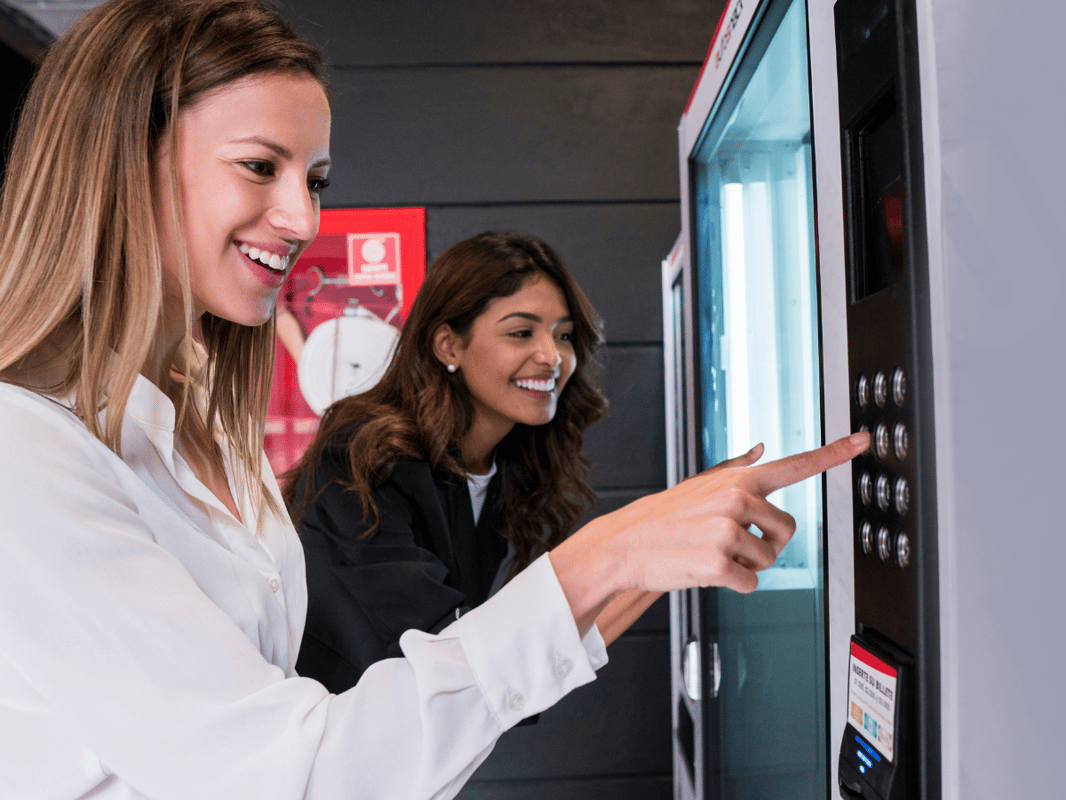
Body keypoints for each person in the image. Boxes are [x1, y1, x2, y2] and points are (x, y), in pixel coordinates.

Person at [0, 1, 869, 798]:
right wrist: (616, 552)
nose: (303, 219)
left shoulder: (208, 429)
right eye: (260, 166)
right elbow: (298, 765)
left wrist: (651, 545)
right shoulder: (27, 452)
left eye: (315, 180)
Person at [284, 231, 610, 691]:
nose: (552, 356)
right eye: (521, 333)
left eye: (564, 335)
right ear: (448, 346)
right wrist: (637, 546)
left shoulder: (503, 466)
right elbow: (451, 661)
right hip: (324, 746)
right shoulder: (361, 456)